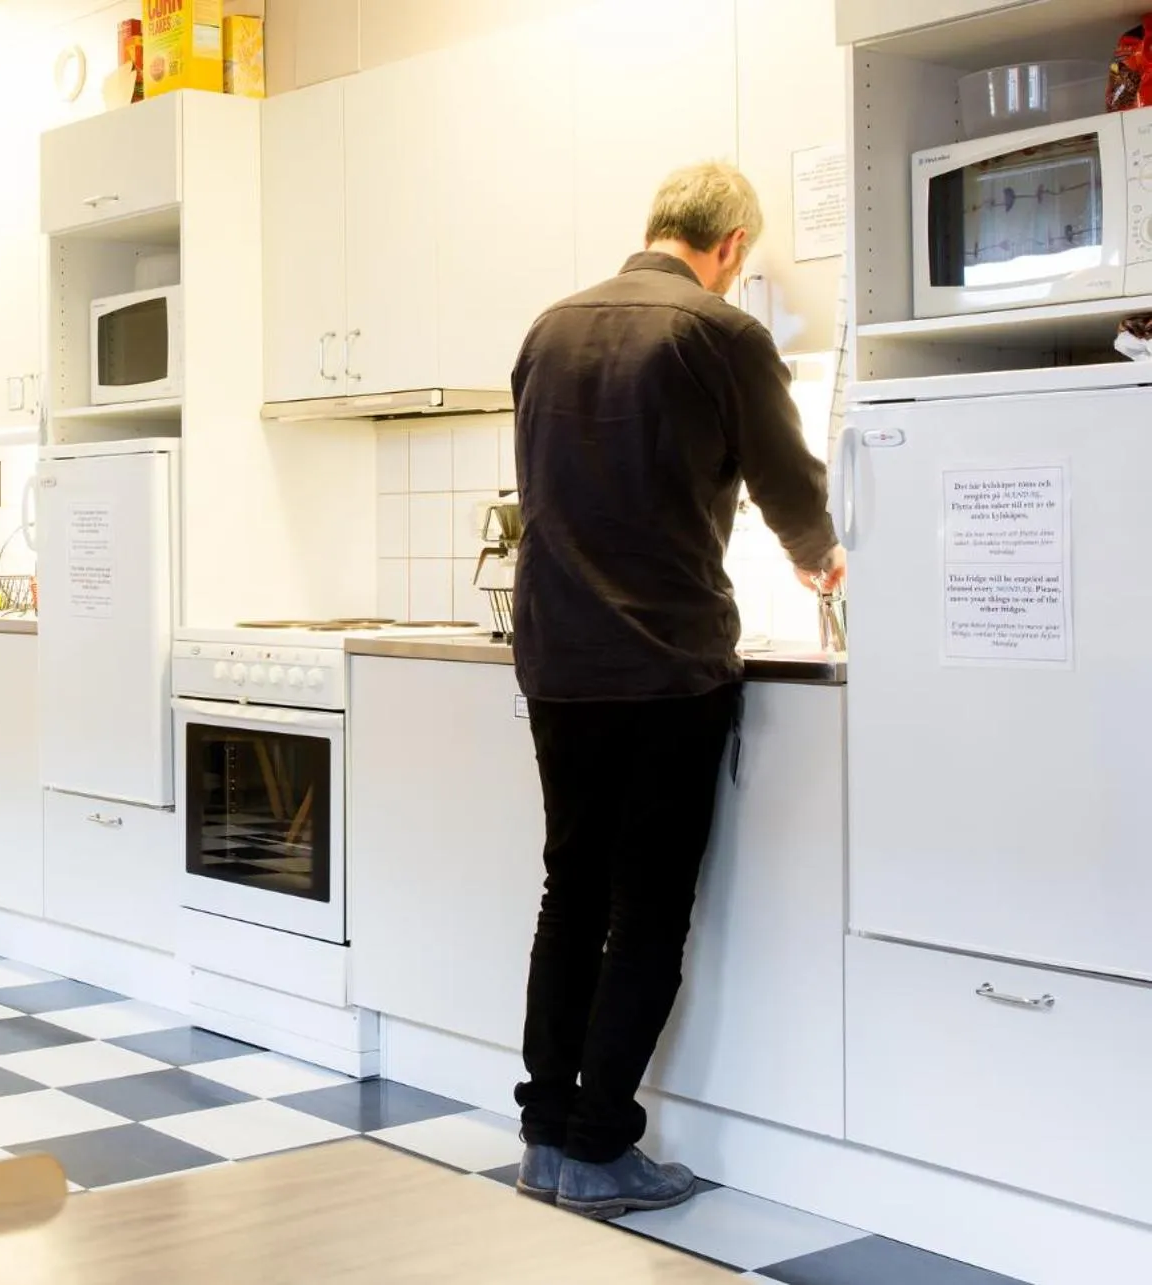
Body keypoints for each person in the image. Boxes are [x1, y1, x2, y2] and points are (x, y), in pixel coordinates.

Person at [507, 162, 845, 1219]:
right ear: (731, 245)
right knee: (647, 906)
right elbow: (785, 478)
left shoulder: (548, 329)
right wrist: (819, 555)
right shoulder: (722, 333)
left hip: (558, 658)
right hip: (661, 662)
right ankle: (599, 1147)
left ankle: (544, 1137)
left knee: (571, 892)